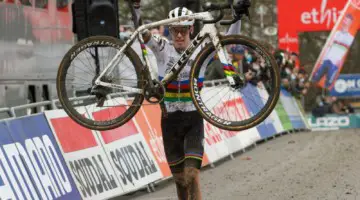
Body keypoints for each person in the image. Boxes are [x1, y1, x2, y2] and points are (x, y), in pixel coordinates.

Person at [132, 1, 251, 199]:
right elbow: (142, 32)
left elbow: (228, 39)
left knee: (192, 174)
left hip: (193, 119)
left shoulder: (201, 50)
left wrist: (237, 17)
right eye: (175, 30)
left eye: (183, 30)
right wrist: (136, 9)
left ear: (191, 29)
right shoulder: (163, 48)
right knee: (180, 182)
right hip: (169, 120)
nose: (179, 35)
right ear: (170, 30)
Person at [312, 13, 355, 88]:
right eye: (344, 20)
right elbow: (329, 46)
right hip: (327, 60)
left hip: (335, 64)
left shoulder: (350, 38)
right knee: (315, 78)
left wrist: (340, 62)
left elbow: (348, 52)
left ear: (350, 23)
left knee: (328, 84)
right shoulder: (336, 33)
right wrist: (323, 58)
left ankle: (323, 95)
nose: (344, 22)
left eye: (347, 21)